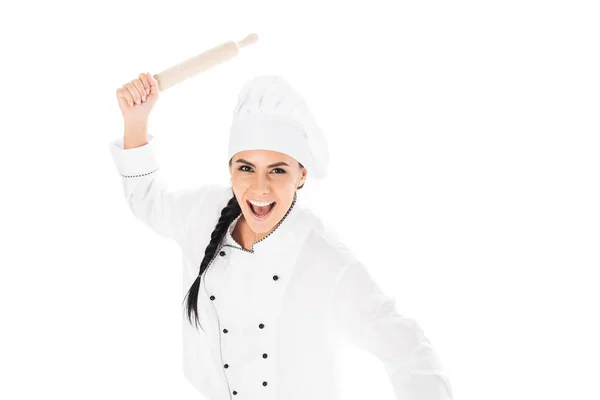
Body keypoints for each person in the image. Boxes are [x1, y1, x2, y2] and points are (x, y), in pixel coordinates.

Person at [110, 73, 454, 400]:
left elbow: (409, 350)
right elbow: (147, 200)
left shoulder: (325, 260)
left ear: (301, 175)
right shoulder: (201, 214)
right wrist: (136, 120)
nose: (260, 187)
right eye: (246, 168)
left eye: (277, 170)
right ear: (230, 168)